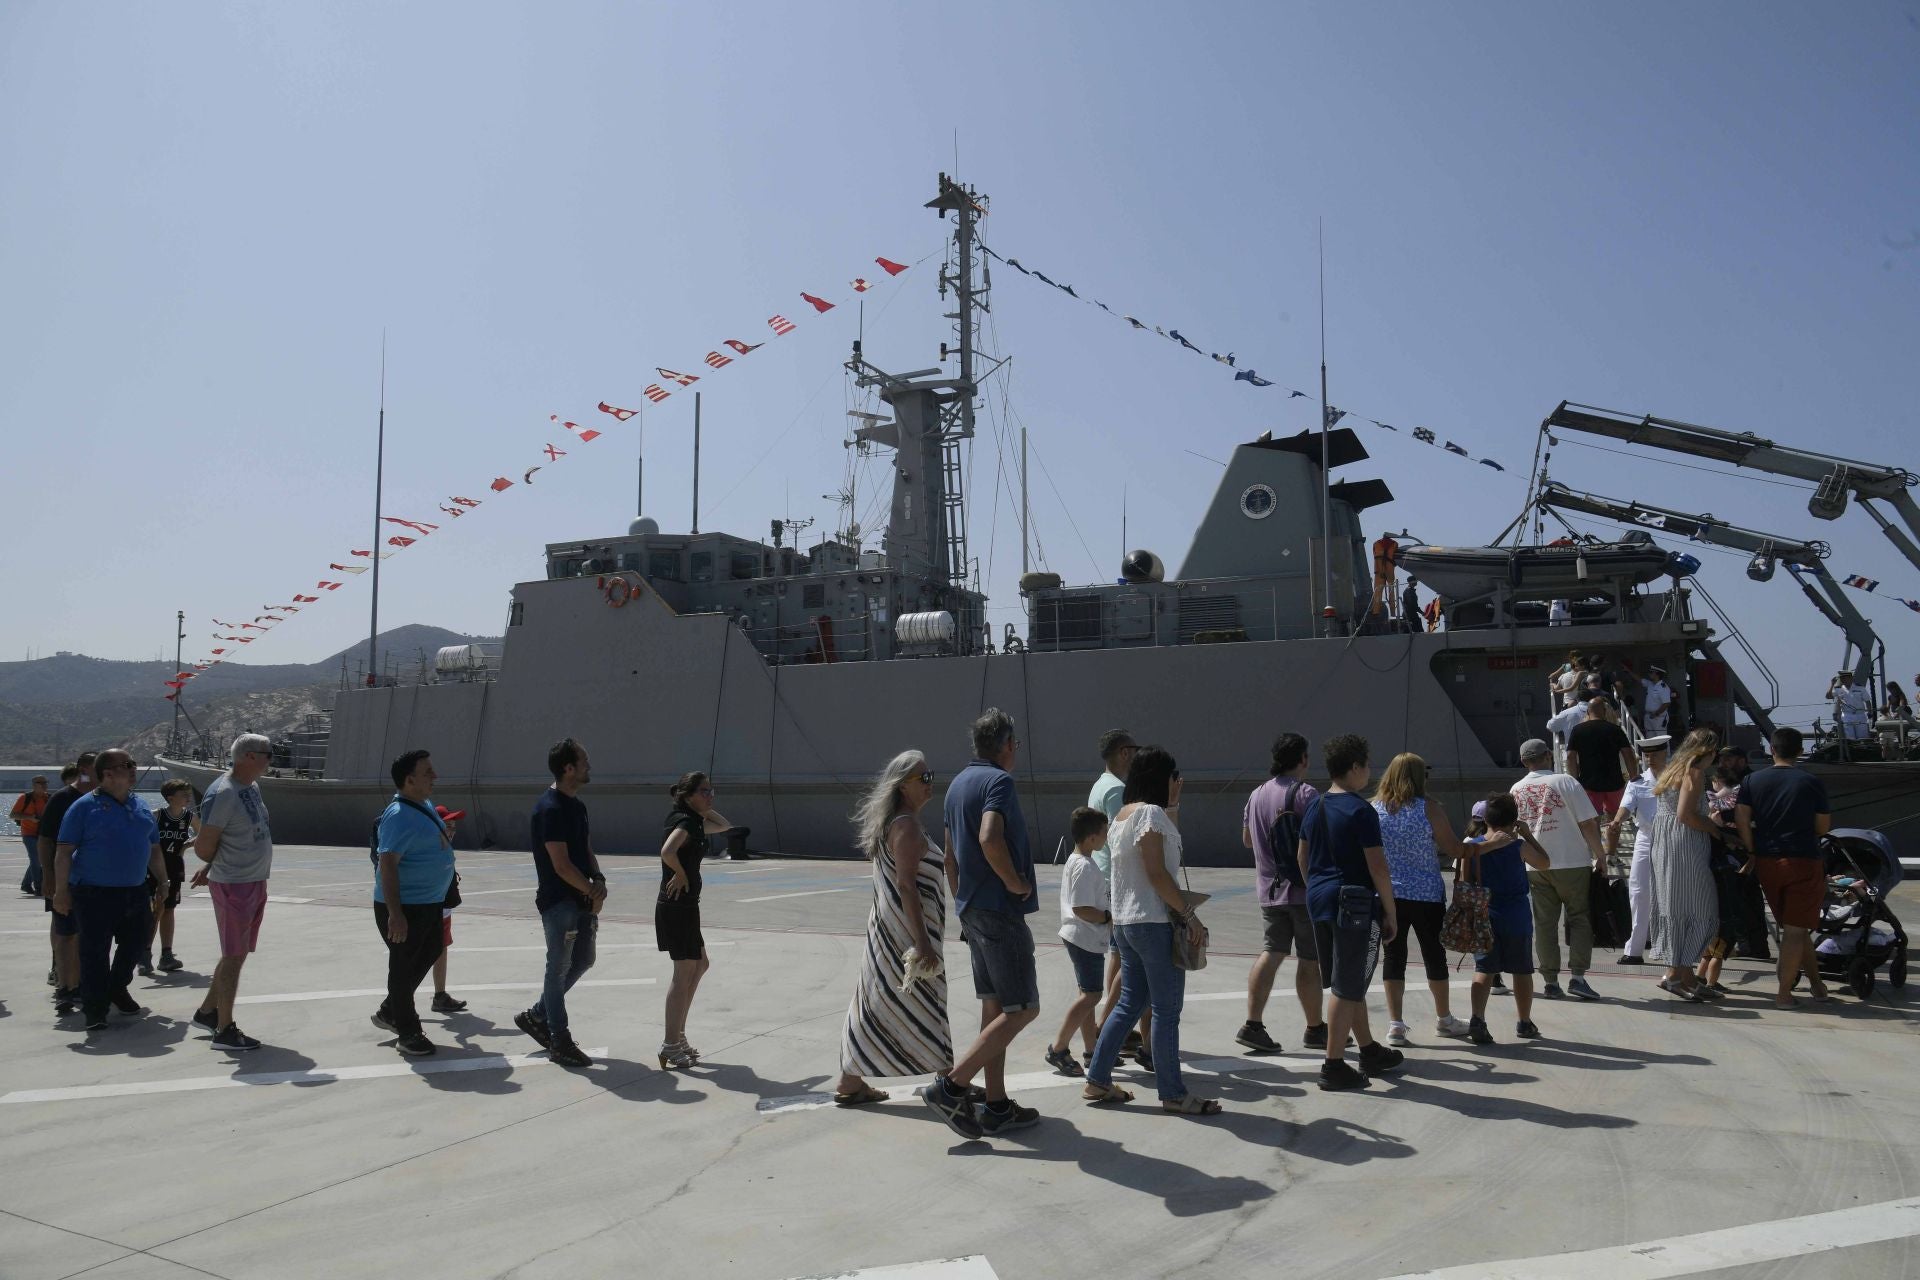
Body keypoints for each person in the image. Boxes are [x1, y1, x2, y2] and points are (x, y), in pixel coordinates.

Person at [921, 708, 1042, 1140]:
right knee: (1024, 1008)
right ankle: (951, 1086)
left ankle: (996, 1105)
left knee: (994, 1007)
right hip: (999, 910)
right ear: (1007, 745)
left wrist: (961, 901)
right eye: (1016, 744)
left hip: (971, 909)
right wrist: (1016, 883)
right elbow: (990, 837)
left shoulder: (956, 786)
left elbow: (951, 855)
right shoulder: (999, 782)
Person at [1080, 747, 1220, 1115]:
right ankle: (1173, 1094)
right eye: (1174, 777)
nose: (1177, 782)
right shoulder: (1151, 814)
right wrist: (1190, 916)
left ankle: (1097, 1079)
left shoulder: (1124, 817)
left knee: (1130, 1003)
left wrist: (1172, 803)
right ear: (1163, 778)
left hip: (1126, 922)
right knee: (1166, 1010)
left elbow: (1155, 857)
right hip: (1153, 922)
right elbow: (1158, 874)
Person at [836, 751, 954, 1104]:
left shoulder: (903, 823)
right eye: (924, 778)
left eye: (930, 775)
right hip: (903, 935)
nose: (930, 783)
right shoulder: (905, 826)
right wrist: (923, 943)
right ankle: (949, 1079)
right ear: (903, 786)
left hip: (892, 932)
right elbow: (906, 886)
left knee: (876, 1000)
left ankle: (850, 1080)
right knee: (921, 998)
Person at [1300, 733, 1403, 1091]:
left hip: (1320, 898)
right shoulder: (1361, 810)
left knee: (1347, 978)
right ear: (1356, 767)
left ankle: (1369, 1049)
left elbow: (1303, 856)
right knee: (1348, 984)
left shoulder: (1316, 805)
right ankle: (1333, 1065)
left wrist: (1317, 887)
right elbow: (1378, 867)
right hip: (1354, 903)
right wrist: (1390, 911)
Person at [52, 748, 166, 1033]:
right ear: (107, 774)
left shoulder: (140, 805)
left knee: (137, 943)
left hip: (136, 890)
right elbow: (64, 852)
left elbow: (153, 849)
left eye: (133, 763)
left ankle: (117, 987)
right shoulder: (83, 807)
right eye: (127, 764)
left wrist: (163, 881)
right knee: (94, 952)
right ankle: (95, 1009)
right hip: (93, 893)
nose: (133, 768)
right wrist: (60, 891)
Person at [1371, 753, 1473, 1045]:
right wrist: (1484, 846)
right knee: (1433, 955)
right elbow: (1454, 849)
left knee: (1394, 957)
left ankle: (1396, 1025)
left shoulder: (1373, 809)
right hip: (1426, 894)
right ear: (1418, 778)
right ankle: (1444, 1019)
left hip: (1389, 894)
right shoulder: (1429, 808)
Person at [1238, 732, 1329, 1054]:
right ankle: (1315, 1028)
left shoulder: (1257, 794)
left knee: (1272, 952)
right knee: (1309, 959)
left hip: (1269, 890)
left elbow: (1248, 840)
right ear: (1302, 759)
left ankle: (1253, 1023)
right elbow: (1321, 841)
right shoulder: (1306, 794)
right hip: (1303, 891)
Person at [516, 739, 604, 1068]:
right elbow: (561, 864)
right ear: (568, 768)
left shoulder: (577, 806)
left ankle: (537, 1015)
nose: (589, 766)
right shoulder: (549, 808)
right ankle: (559, 1039)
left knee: (584, 960)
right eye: (584, 761)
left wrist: (599, 880)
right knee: (557, 970)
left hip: (581, 900)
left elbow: (586, 848)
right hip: (559, 903)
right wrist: (591, 891)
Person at [188, 734, 275, 1051]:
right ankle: (224, 1030)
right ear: (249, 757)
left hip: (252, 881)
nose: (271, 758)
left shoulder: (250, 786)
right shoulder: (224, 793)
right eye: (268, 753)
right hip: (235, 884)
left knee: (234, 954)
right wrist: (213, 866)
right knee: (233, 956)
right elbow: (204, 844)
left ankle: (208, 1013)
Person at [1735, 727, 1833, 1008]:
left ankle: (1817, 985)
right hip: (1803, 859)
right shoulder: (1810, 782)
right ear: (1800, 752)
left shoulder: (1752, 780)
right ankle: (1784, 995)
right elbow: (1822, 826)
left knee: (1794, 928)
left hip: (1767, 862)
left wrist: (1752, 849)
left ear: (1772, 750)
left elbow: (1742, 819)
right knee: (1795, 929)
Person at [372, 749, 456, 1056]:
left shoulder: (423, 805)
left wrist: (444, 838)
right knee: (402, 965)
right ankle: (408, 1032)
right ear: (409, 780)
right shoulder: (398, 816)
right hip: (404, 907)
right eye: (427, 772)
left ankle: (390, 1009)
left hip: (428, 903)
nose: (434, 776)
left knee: (433, 948)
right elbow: (388, 865)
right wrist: (395, 914)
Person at [1509, 738, 1605, 1001]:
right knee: (1579, 918)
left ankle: (1550, 980)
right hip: (1571, 860)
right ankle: (1578, 977)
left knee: (1544, 923)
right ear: (1548, 755)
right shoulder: (1566, 782)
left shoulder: (1516, 789)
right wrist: (1601, 856)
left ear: (1523, 761)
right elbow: (1588, 823)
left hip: (1534, 864)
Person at [1462, 794, 1551, 1044]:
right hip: (1515, 914)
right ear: (1514, 821)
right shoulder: (1518, 846)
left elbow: (1464, 880)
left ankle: (1477, 1018)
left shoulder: (1473, 846)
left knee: (1484, 969)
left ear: (1486, 820)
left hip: (1484, 914)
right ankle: (1524, 1021)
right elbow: (1544, 863)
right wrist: (1528, 835)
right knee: (1522, 970)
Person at [657, 770, 730, 1069]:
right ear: (688, 795)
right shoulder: (686, 822)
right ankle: (670, 1044)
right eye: (704, 791)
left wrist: (702, 805)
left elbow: (725, 825)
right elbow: (667, 851)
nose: (710, 796)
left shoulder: (694, 820)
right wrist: (681, 873)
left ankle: (679, 1035)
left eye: (712, 790)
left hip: (686, 907)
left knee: (701, 964)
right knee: (683, 973)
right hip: (675, 907)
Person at [1087, 729, 1150, 1065]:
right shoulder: (1116, 789)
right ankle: (1107, 1025)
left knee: (1117, 954)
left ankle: (1115, 1026)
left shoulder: (1100, 784)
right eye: (1135, 749)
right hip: (1115, 879)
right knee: (1127, 958)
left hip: (1103, 878)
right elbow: (1119, 837)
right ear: (1124, 752)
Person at [1648, 729, 1724, 1002]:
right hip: (1685, 845)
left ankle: (1685, 974)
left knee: (1676, 904)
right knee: (1699, 905)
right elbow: (1686, 815)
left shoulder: (1672, 771)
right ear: (1708, 751)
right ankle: (1675, 976)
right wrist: (1716, 830)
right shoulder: (1694, 773)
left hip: (1666, 844)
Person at [1046, 807, 1111, 1076]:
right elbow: (1082, 908)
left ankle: (1091, 1049)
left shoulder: (1078, 860)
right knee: (1091, 995)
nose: (1107, 837)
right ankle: (1058, 1048)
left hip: (1082, 937)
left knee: (1087, 995)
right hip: (1084, 937)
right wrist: (1108, 916)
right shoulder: (1084, 866)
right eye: (1104, 833)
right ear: (1092, 838)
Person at [39, 756, 95, 1017]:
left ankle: (81, 981)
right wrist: (48, 876)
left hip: (93, 879)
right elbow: (45, 840)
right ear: (84, 769)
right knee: (63, 928)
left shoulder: (102, 798)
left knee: (86, 931)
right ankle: (63, 979)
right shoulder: (62, 798)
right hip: (64, 877)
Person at [1607, 735, 1670, 964]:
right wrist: (1616, 822)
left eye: (1654, 754)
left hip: (1672, 838)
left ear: (1665, 753)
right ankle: (1634, 950)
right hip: (1646, 837)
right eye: (1646, 755)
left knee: (1670, 893)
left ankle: (1670, 945)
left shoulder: (1679, 779)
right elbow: (1626, 807)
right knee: (1638, 890)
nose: (1650, 759)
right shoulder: (1637, 782)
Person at [144, 779, 196, 975]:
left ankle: (166, 954)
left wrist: (187, 845)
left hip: (175, 868)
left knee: (169, 910)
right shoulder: (156, 815)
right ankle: (145, 953)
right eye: (184, 794)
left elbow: (204, 833)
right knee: (154, 910)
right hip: (154, 869)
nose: (188, 798)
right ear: (170, 798)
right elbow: (142, 837)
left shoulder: (189, 817)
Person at [1565, 697, 1637, 820]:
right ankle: (1613, 839)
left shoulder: (1578, 730)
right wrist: (1633, 777)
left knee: (1593, 819)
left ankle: (1597, 840)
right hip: (1614, 782)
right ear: (1604, 711)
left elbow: (1570, 757)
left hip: (1589, 783)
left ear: (1588, 712)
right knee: (1615, 819)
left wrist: (1575, 779)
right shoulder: (1615, 730)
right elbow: (1628, 755)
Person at [429, 804, 469, 1015]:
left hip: (443, 910)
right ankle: (396, 1004)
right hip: (430, 912)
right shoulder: (430, 849)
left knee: (441, 950)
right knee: (419, 956)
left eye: (453, 826)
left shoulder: (445, 848)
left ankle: (440, 995)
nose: (452, 830)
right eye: (447, 825)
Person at [12, 773, 48, 895]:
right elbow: (13, 815)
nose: (44, 785)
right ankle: (38, 886)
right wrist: (30, 817)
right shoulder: (24, 798)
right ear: (34, 785)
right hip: (28, 833)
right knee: (36, 859)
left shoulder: (48, 798)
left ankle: (26, 884)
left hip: (42, 834)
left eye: (45, 783)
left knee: (37, 860)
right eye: (41, 783)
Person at [1832, 670, 1872, 741]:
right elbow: (1828, 696)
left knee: (1863, 737)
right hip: (1847, 715)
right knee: (1850, 738)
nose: (1842, 680)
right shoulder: (1839, 689)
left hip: (1860, 714)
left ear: (1850, 678)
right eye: (1841, 678)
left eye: (1844, 678)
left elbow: (1867, 701)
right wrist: (1832, 684)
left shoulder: (1860, 688)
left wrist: (1869, 712)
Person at [1642, 665, 1674, 736]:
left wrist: (1656, 713)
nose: (1649, 674)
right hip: (1648, 716)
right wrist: (1628, 671)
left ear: (1657, 674)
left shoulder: (1663, 687)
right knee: (1650, 740)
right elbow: (1640, 680)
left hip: (1658, 718)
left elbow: (1666, 703)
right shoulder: (1650, 684)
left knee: (1661, 740)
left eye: (1651, 672)